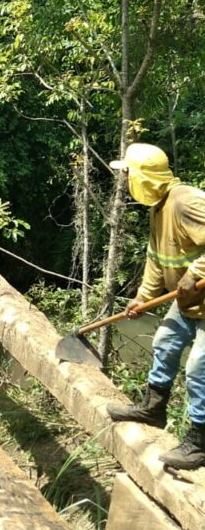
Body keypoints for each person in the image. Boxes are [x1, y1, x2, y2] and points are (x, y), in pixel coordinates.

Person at [106, 143, 205, 470]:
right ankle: (153, 407)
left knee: (198, 367)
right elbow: (157, 259)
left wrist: (195, 273)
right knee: (164, 341)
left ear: (143, 177)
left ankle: (200, 442)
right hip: (188, 300)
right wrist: (143, 297)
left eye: (129, 174)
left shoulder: (185, 201)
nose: (126, 180)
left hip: (199, 295)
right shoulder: (158, 207)